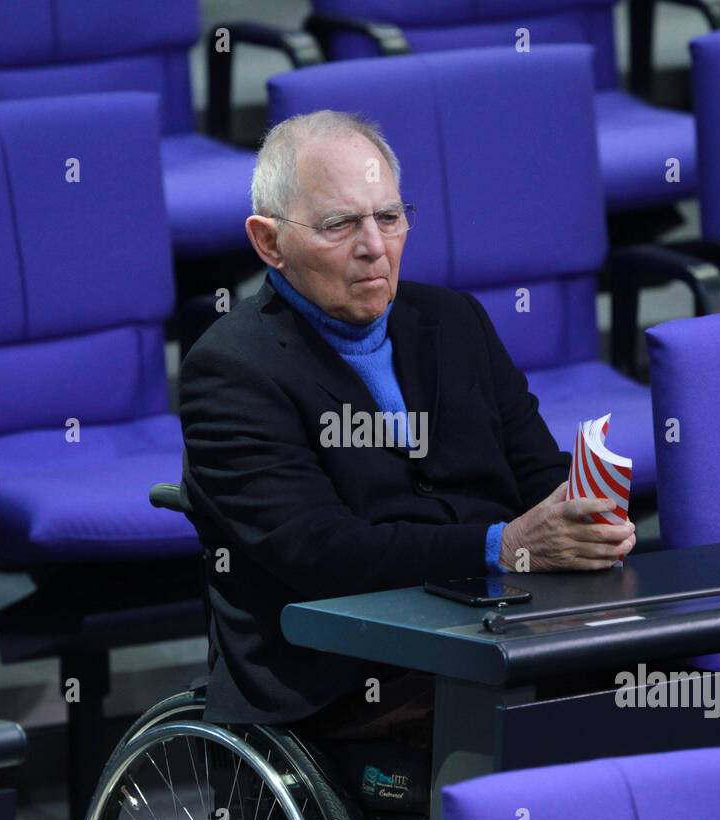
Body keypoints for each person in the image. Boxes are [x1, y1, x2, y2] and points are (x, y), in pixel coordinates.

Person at [179, 110, 636, 746]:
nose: (374, 246)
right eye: (339, 224)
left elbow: (537, 469)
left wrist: (583, 518)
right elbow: (322, 553)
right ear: (268, 242)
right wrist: (499, 546)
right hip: (352, 671)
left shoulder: (454, 321)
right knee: (565, 731)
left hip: (505, 625)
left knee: (672, 687)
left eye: (389, 218)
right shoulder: (231, 368)